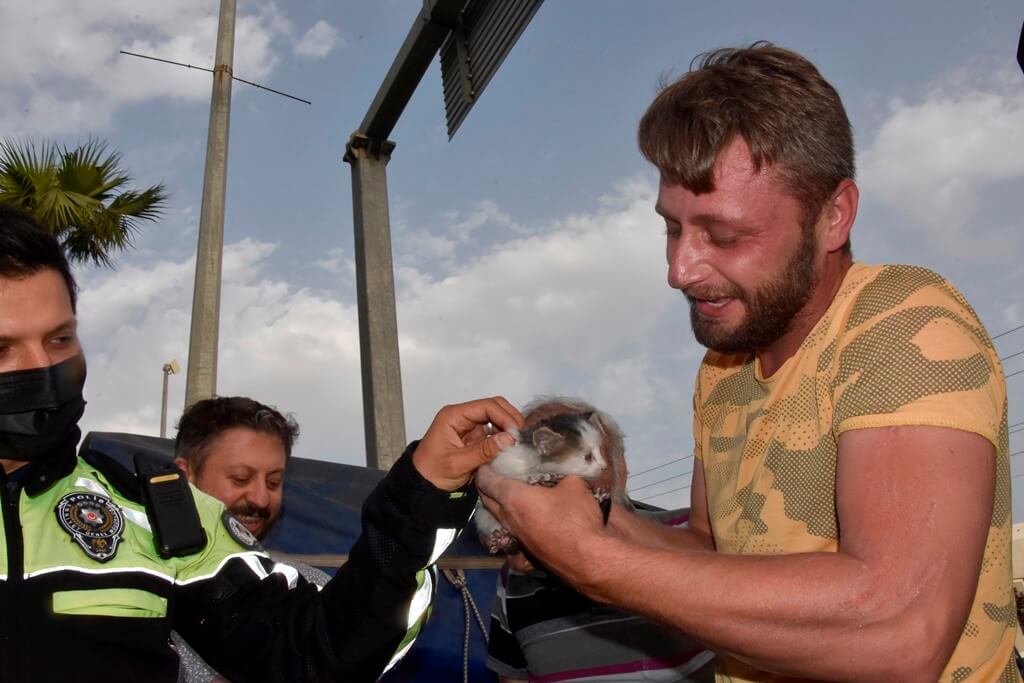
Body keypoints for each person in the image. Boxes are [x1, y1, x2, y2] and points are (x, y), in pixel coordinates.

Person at [476, 43, 1017, 681]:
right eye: (672, 228)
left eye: (724, 236)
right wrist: (579, 514)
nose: (680, 270)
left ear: (833, 216)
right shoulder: (723, 369)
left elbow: (901, 632)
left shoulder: (905, 324)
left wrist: (592, 563)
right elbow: (708, 549)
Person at [0, 203, 523, 682]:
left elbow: (315, 654)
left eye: (59, 339)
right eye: (3, 349)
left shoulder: (159, 517)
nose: (42, 369)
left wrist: (422, 491)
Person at [485, 397, 714, 683]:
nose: (556, 482)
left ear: (621, 467)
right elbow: (512, 678)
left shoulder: (689, 535)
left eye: (594, 458)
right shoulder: (513, 578)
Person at [174, 395, 300, 541]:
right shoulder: (143, 560)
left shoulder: (283, 564)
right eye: (241, 479)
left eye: (273, 482)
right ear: (184, 475)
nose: (261, 500)